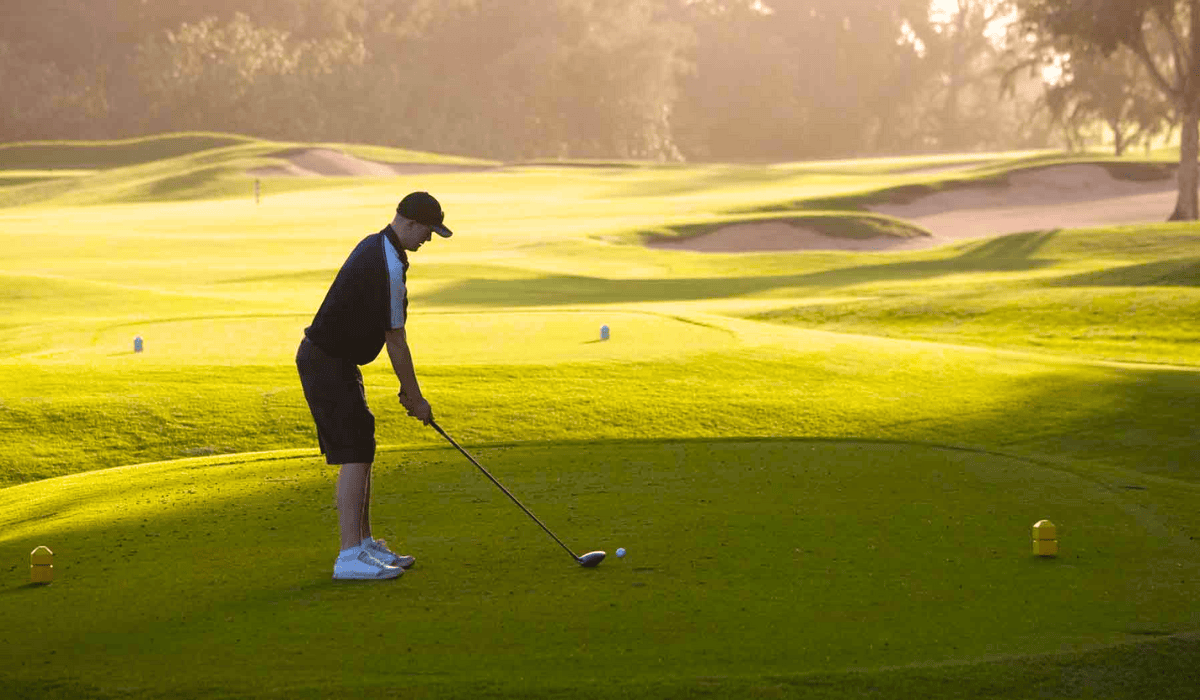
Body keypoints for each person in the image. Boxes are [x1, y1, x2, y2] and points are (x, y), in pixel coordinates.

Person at [296, 191, 453, 580]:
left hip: (337, 361)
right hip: (324, 361)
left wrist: (408, 391)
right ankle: (349, 555)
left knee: (362, 442)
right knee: (353, 450)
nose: (428, 240)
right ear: (410, 223)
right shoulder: (385, 260)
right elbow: (395, 338)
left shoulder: (384, 249)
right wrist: (415, 397)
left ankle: (363, 545)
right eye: (428, 231)